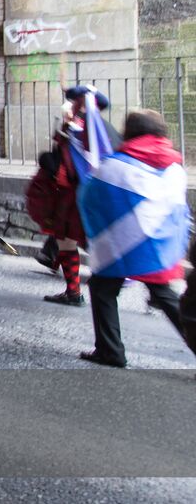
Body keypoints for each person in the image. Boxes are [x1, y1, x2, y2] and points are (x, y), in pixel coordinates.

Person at [78, 110, 193, 368]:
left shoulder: (114, 166)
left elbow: (91, 198)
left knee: (102, 288)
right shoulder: (174, 165)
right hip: (158, 245)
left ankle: (110, 351)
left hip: (122, 244)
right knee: (163, 293)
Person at [32, 86, 118, 306]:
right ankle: (71, 287)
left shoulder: (77, 131)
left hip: (73, 197)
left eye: (74, 102)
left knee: (68, 241)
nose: (70, 106)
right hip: (94, 197)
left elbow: (64, 170)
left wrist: (50, 161)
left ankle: (73, 292)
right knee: (76, 241)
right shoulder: (106, 130)